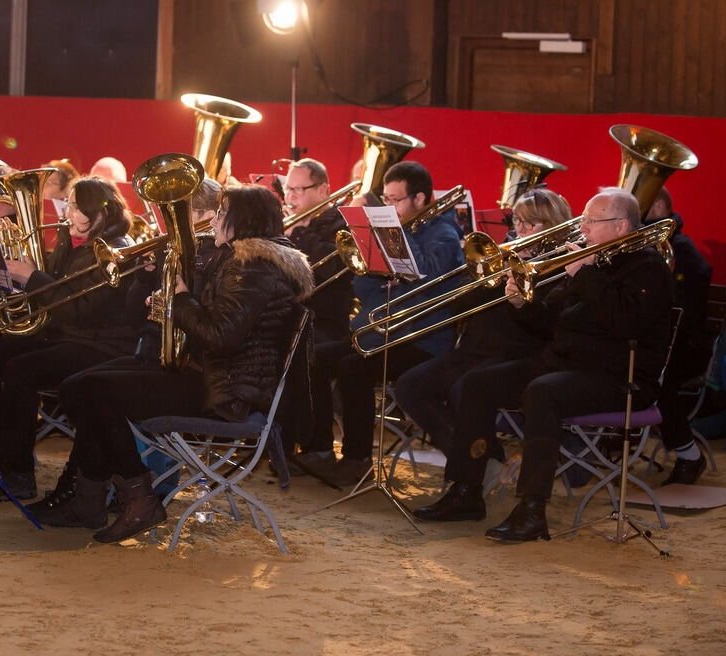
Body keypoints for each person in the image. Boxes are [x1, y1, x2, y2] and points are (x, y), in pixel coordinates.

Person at [50, 184, 313, 543]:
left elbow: (220, 335)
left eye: (223, 214)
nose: (216, 220)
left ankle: (136, 497)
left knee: (92, 391)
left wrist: (182, 299)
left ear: (244, 221)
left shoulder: (254, 268)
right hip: (212, 376)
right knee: (79, 385)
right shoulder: (241, 260)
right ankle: (94, 497)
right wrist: (162, 291)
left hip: (224, 392)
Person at [413, 188, 674, 542]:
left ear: (621, 226)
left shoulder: (648, 266)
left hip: (619, 377)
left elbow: (624, 322)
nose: (583, 228)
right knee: (477, 383)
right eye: (584, 219)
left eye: (592, 221)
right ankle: (466, 491)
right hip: (564, 364)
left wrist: (584, 273)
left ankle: (532, 509)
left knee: (543, 393)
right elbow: (552, 322)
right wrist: (522, 304)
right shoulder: (591, 260)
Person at [0, 176, 138, 500]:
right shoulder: (70, 241)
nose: (66, 213)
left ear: (101, 215)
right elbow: (54, 299)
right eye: (68, 204)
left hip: (100, 346)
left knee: (20, 371)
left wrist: (30, 275)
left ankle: (17, 475)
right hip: (69, 336)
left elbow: (78, 309)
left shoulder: (113, 250)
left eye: (75, 207)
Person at [300, 162, 464, 485]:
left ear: (420, 199)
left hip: (422, 340)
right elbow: (363, 289)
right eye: (385, 199)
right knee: (314, 358)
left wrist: (396, 235)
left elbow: (425, 276)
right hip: (384, 333)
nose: (389, 208)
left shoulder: (443, 234)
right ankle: (319, 448)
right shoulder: (406, 227)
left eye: (396, 200)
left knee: (354, 368)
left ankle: (357, 458)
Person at [392, 189, 572, 456]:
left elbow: (547, 327)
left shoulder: (559, 269)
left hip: (516, 357)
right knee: (409, 386)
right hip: (474, 351)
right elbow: (459, 304)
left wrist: (522, 294)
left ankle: (471, 464)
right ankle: (478, 457)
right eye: (517, 221)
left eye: (530, 223)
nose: (520, 229)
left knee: (463, 391)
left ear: (552, 227)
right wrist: (490, 277)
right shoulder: (498, 256)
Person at [645, 187, 714, 484]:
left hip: (687, 347)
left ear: (658, 205)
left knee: (658, 378)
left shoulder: (681, 247)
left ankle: (689, 455)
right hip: (662, 343)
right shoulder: (648, 245)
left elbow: (689, 309)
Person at [283, 157, 353, 343]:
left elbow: (334, 266)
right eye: (288, 188)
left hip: (322, 321)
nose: (290, 196)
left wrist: (298, 232)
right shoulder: (288, 221)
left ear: (322, 190)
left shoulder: (341, 223)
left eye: (298, 189)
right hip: (288, 313)